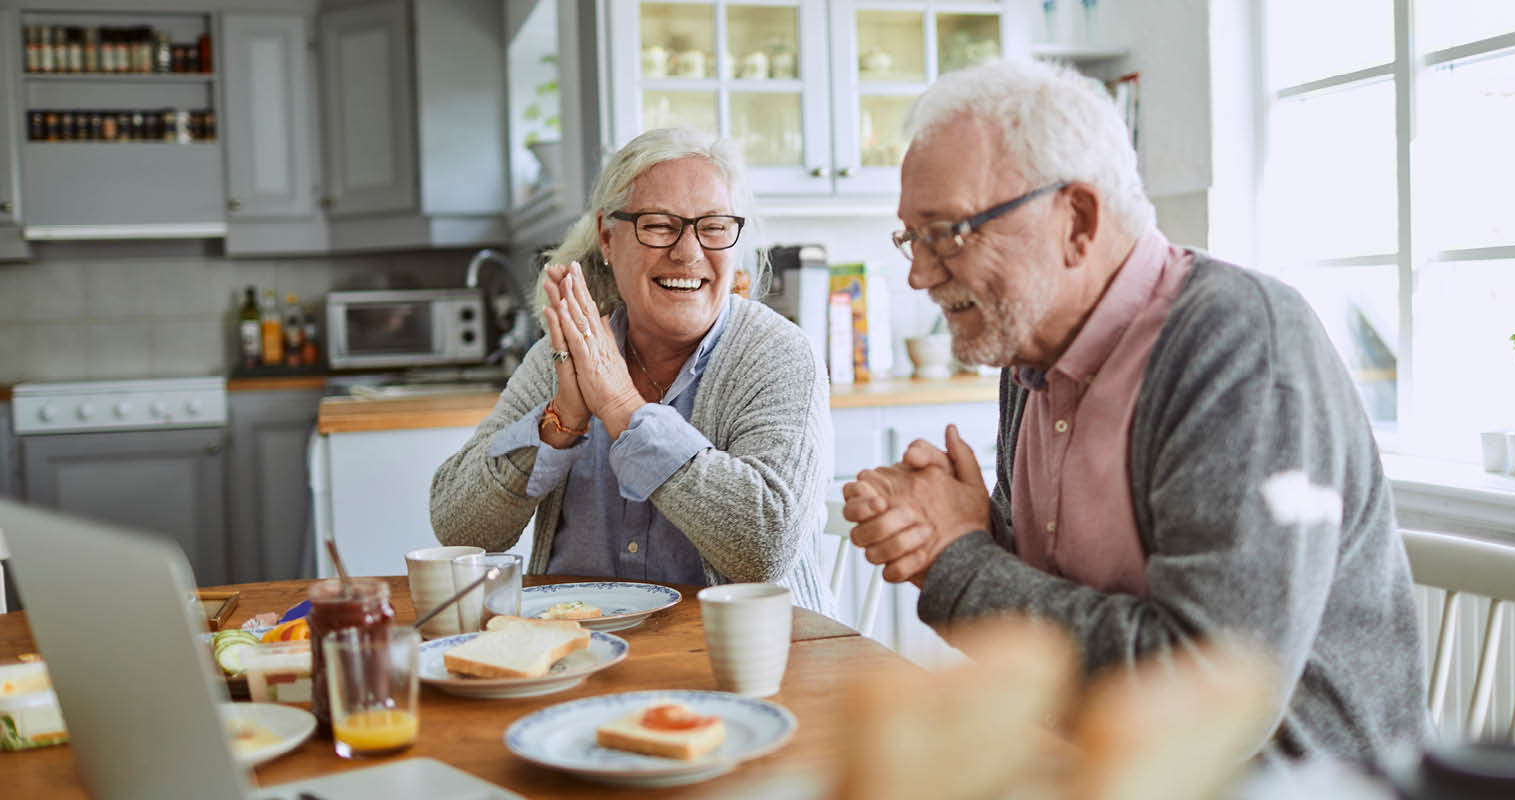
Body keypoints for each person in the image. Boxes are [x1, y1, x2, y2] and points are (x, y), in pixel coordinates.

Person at [841, 60, 1426, 760]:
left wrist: (960, 556)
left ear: (1077, 220)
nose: (920, 273)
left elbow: (1205, 690)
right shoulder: (1030, 352)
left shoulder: (1237, 343)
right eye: (913, 237)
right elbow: (1062, 598)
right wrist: (969, 527)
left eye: (948, 233)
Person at [431, 127, 832, 614]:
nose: (688, 252)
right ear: (607, 236)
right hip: (578, 655)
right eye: (660, 225)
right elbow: (458, 529)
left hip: (741, 665)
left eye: (713, 226)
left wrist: (623, 409)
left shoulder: (777, 354)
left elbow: (764, 547)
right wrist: (560, 422)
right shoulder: (564, 354)